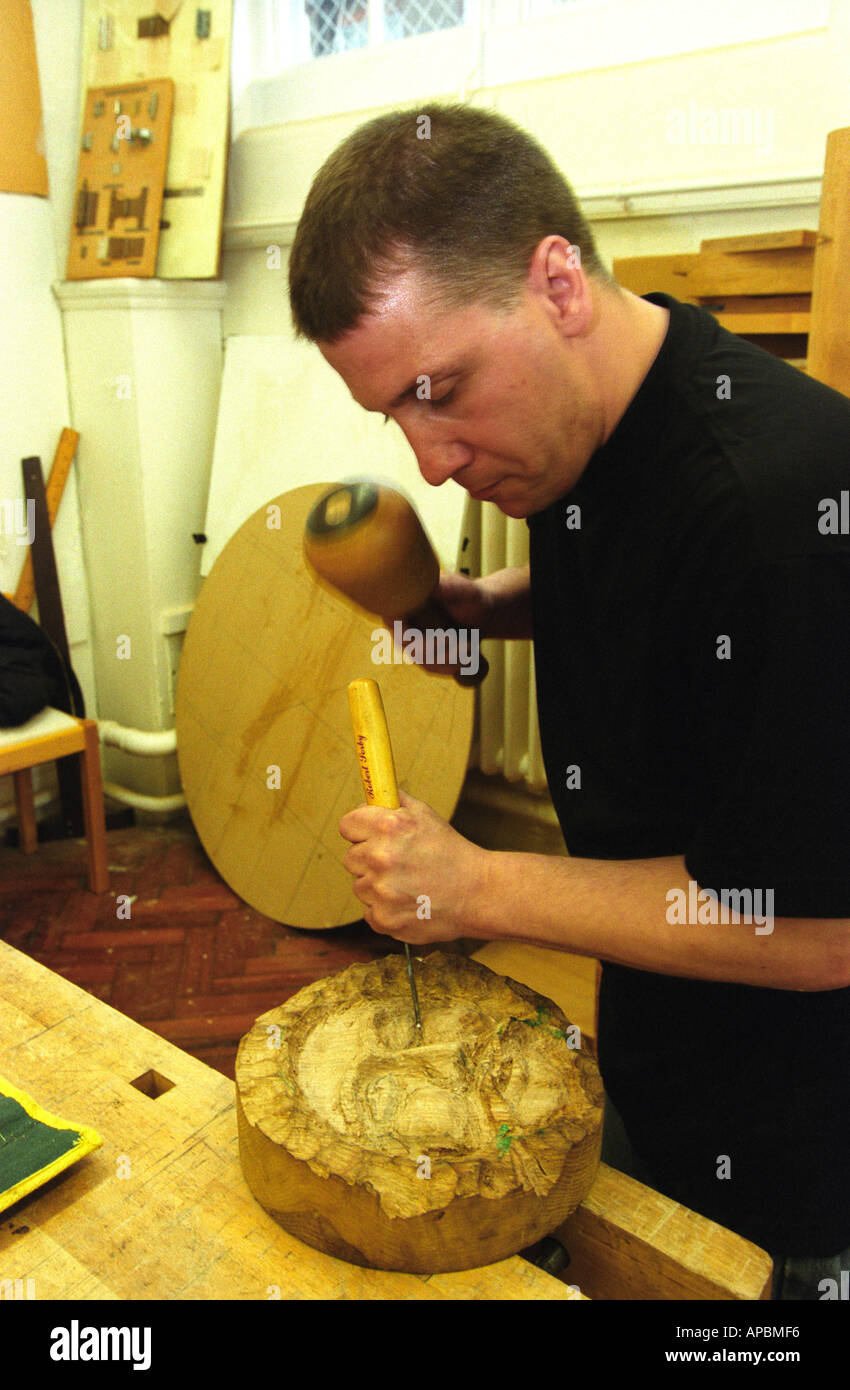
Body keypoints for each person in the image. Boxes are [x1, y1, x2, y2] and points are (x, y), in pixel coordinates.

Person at [288, 103, 850, 1300]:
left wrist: (476, 884)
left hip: (803, 1176)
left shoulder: (782, 509)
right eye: (392, 411)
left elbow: (816, 932)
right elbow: (651, 570)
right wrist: (485, 603)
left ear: (555, 284)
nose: (429, 459)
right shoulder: (589, 430)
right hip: (657, 1061)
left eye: (439, 388)